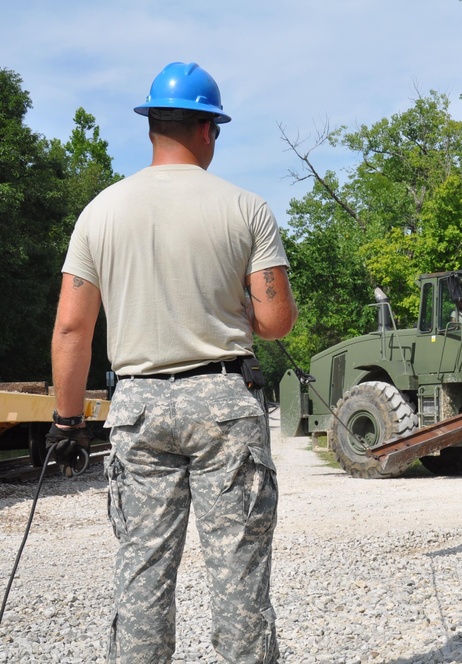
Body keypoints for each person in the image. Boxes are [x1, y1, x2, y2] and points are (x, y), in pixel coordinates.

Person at [48, 62, 297, 662]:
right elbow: (275, 321)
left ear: (151, 125)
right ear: (210, 129)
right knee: (238, 578)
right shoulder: (246, 209)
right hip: (222, 409)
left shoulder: (100, 212)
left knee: (142, 574)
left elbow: (71, 328)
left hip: (137, 408)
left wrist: (66, 421)